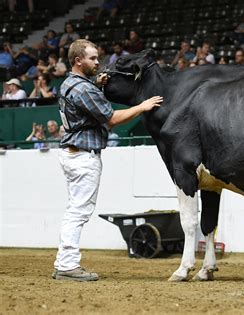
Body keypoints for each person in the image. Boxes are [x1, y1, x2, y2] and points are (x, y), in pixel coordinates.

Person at [52, 39, 163, 281]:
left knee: (75, 210)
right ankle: (67, 265)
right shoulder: (84, 89)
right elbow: (111, 118)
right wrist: (142, 106)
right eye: (92, 58)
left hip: (73, 153)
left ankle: (64, 262)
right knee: (78, 212)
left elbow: (86, 101)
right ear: (78, 60)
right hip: (83, 156)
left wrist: (96, 84)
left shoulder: (72, 84)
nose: (97, 62)